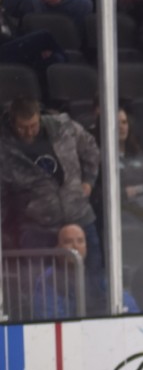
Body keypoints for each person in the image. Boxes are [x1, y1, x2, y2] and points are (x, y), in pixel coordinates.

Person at [0, 97, 100, 273]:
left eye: (33, 125)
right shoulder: (5, 147)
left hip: (79, 216)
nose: (29, 132)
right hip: (37, 225)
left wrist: (88, 181)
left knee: (93, 277)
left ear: (40, 116)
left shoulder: (63, 127)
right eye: (22, 127)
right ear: (12, 121)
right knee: (42, 286)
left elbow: (91, 148)